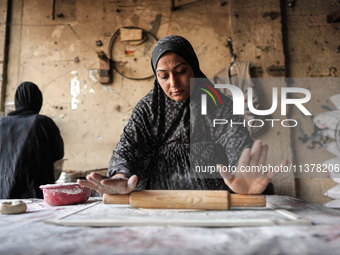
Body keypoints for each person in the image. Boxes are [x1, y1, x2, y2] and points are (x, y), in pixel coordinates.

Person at [78, 35, 287, 195]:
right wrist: (121, 176)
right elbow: (129, 149)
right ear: (156, 77)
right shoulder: (148, 110)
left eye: (180, 72)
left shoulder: (218, 105)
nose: (174, 83)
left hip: (214, 206)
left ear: (193, 69)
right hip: (158, 205)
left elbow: (237, 143)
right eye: (164, 76)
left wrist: (243, 174)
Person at [0, 82, 64, 199]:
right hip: (36, 194)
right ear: (38, 101)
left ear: (17, 101)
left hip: (4, 195)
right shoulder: (43, 123)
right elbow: (58, 154)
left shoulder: (1, 123)